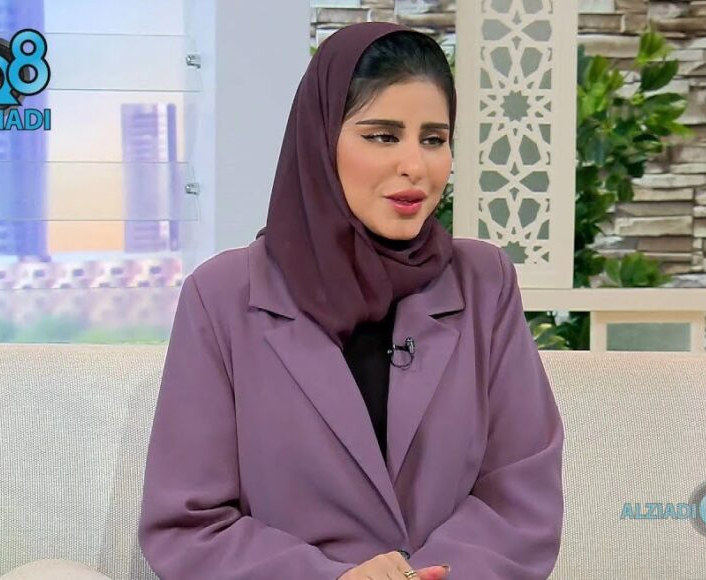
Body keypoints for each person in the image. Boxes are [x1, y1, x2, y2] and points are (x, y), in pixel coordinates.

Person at [137, 22, 564, 580]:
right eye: (383, 136)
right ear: (320, 142)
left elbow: (521, 491)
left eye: (433, 139)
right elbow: (188, 525)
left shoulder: (485, 282)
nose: (415, 166)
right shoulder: (222, 297)